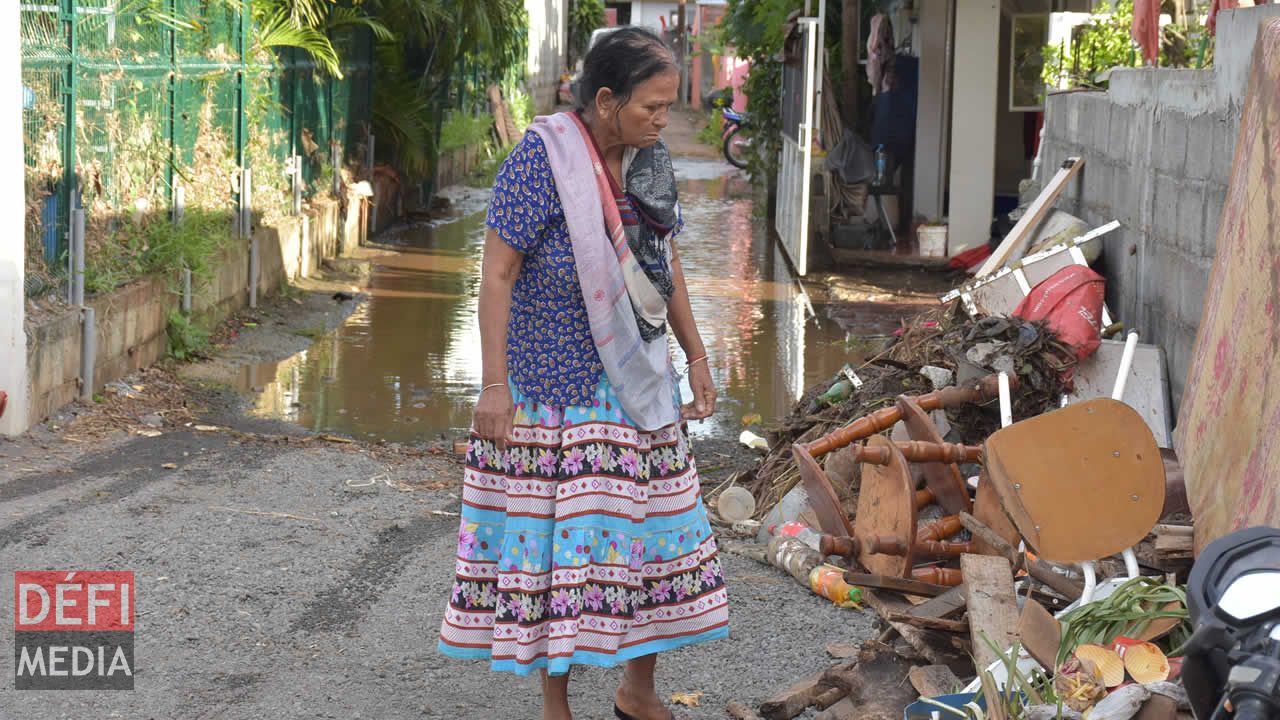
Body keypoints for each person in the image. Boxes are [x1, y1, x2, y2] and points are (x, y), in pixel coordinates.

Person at [437, 26, 730, 720]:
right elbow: (498, 275)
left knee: (653, 538)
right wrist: (493, 385)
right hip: (556, 387)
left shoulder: (649, 165)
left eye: (666, 107)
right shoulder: (541, 161)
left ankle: (637, 689)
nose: (663, 120)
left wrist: (698, 354)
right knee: (560, 554)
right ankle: (556, 703)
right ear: (606, 100)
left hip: (637, 381)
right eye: (651, 107)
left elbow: (668, 264)